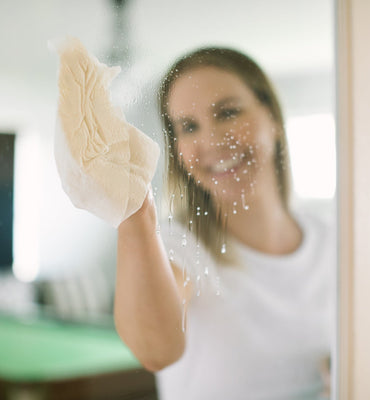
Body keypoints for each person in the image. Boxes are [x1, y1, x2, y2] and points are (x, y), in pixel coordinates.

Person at [115, 47, 335, 400]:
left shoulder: (335, 241)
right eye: (188, 127)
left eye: (228, 113)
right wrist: (132, 213)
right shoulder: (176, 245)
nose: (212, 141)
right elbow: (153, 350)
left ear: (272, 118)